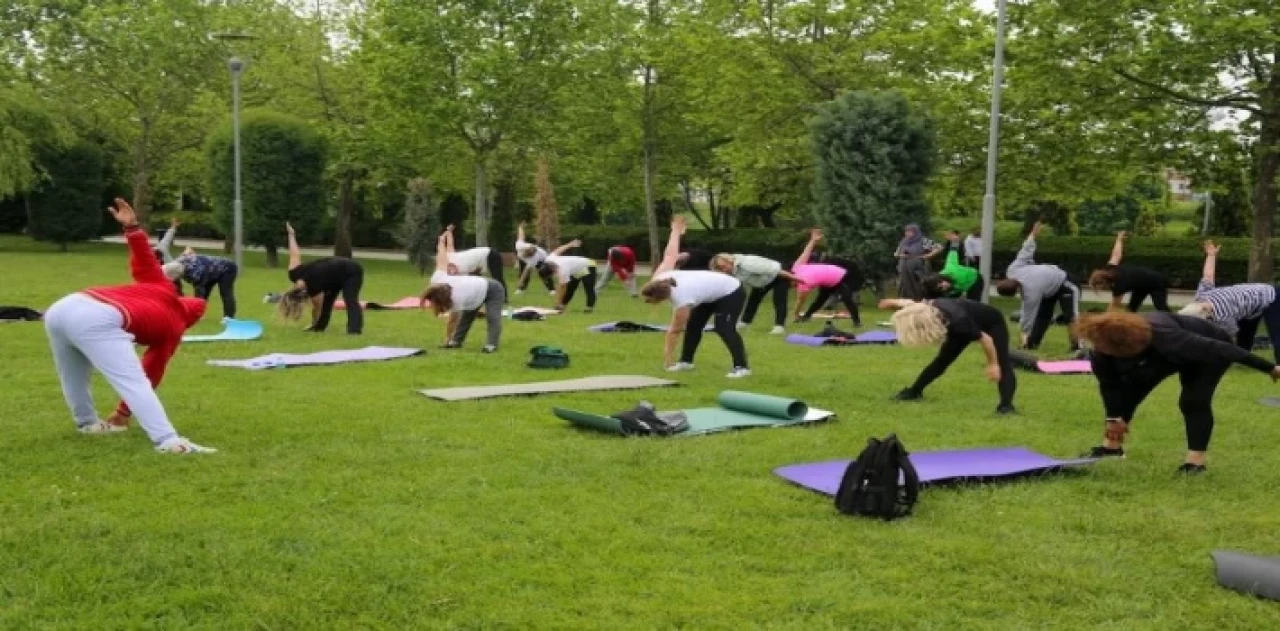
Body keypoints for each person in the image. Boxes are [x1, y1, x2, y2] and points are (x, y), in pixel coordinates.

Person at [43, 198, 215, 454]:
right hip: (99, 318)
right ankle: (168, 441)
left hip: (64, 306)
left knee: (73, 375)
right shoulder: (175, 326)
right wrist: (123, 412)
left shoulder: (162, 286)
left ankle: (88, 424)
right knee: (133, 381)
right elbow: (150, 372)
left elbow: (146, 260)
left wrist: (132, 228)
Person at [1074, 310, 1280, 474]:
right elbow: (1109, 384)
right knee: (1129, 389)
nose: (1098, 350)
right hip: (1162, 355)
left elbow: (1223, 349)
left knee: (1193, 401)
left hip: (1207, 352)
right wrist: (1112, 417)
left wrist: (1270, 368)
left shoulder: (1168, 337)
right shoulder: (1101, 348)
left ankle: (1195, 463)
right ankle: (1111, 448)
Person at [641, 217, 750, 378]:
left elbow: (674, 331)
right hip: (708, 293)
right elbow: (670, 255)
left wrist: (668, 360)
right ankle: (686, 362)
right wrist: (676, 231)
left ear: (663, 297)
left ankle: (742, 367)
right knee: (693, 325)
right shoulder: (660, 276)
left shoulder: (681, 299)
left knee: (723, 327)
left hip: (731, 290)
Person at [881, 297, 1017, 415]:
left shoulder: (960, 321)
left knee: (1002, 362)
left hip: (992, 322)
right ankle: (914, 392)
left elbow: (986, 340)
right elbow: (910, 304)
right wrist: (893, 302)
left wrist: (992, 364)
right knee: (942, 361)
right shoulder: (926, 308)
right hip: (960, 322)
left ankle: (1006, 406)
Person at [1178, 240, 1280, 361]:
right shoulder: (1201, 295)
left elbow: (1229, 339)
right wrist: (1211, 255)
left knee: (1277, 334)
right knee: (1244, 338)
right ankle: (1244, 360)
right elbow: (1208, 276)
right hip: (1248, 305)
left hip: (1271, 297)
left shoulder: (1224, 316)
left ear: (1207, 316)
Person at [995, 221, 1080, 350]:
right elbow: (1025, 252)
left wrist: (1024, 333)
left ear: (1017, 289)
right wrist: (1032, 235)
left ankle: (1077, 346)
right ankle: (1032, 344)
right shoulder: (1012, 270)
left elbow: (1027, 316)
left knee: (1070, 315)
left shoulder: (1031, 292)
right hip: (1046, 289)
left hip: (1065, 282)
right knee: (1042, 316)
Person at [421, 226, 503, 352]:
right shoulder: (437, 278)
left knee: (492, 317)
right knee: (467, 317)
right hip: (474, 292)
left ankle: (491, 345)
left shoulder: (457, 298)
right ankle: (455, 342)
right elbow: (442, 258)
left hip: (493, 289)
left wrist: (446, 339)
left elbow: (452, 321)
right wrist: (441, 242)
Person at [278, 222, 364, 334]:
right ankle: (319, 328)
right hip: (333, 275)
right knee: (327, 302)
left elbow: (317, 308)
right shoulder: (294, 273)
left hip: (351, 271)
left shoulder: (313, 286)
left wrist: (291, 235)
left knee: (350, 299)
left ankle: (355, 330)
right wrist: (291, 235)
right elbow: (294, 253)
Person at [710, 252, 800, 335]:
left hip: (779, 274)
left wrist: (795, 278)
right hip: (762, 281)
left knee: (779, 299)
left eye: (723, 267)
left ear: (728, 261)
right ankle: (745, 322)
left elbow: (775, 271)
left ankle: (779, 326)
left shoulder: (747, 263)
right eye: (720, 269)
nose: (723, 270)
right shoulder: (731, 269)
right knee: (753, 300)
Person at [792, 229, 864, 325]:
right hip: (827, 279)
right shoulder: (796, 267)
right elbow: (806, 252)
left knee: (847, 299)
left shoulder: (802, 282)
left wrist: (796, 314)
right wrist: (813, 240)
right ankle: (806, 317)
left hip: (838, 276)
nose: (794, 287)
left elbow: (800, 301)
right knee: (821, 299)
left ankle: (857, 322)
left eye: (792, 286)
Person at [1088, 231, 1170, 312]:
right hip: (1140, 286)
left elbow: (1114, 306)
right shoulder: (1109, 268)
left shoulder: (1119, 284)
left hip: (1155, 281)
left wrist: (1103, 321)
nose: (1103, 290)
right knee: (1131, 310)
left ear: (1104, 282)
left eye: (1102, 288)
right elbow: (1116, 254)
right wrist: (1119, 239)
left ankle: (1177, 321)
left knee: (1161, 308)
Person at [171, 246, 239, 319]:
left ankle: (229, 318)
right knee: (204, 293)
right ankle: (200, 315)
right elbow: (178, 290)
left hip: (227, 268)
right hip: (210, 270)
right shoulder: (173, 268)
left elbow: (199, 288)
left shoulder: (193, 269)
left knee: (225, 292)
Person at [539, 240, 598, 313]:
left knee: (588, 287)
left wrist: (558, 301)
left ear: (552, 271)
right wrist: (570, 244)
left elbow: (563, 286)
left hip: (588, 265)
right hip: (576, 269)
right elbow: (558, 250)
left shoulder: (562, 269)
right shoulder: (549, 259)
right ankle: (562, 306)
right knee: (571, 288)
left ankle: (589, 307)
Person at [894, 224, 941, 300]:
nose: (907, 233)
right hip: (904, 267)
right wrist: (901, 255)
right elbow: (896, 253)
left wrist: (929, 255)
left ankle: (918, 301)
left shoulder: (923, 240)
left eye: (910, 231)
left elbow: (939, 247)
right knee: (904, 286)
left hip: (917, 268)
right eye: (906, 231)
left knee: (918, 285)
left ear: (916, 232)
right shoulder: (903, 241)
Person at [514, 223, 556, 295]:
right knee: (521, 271)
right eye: (525, 255)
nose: (525, 257)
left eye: (528, 257)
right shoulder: (519, 245)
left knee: (543, 272)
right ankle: (521, 289)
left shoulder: (534, 258)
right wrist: (520, 227)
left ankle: (551, 289)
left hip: (542, 259)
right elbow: (521, 236)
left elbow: (526, 272)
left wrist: (520, 281)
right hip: (527, 257)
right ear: (524, 251)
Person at [152, 217, 184, 295]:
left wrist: (173, 227)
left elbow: (167, 238)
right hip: (162, 280)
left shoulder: (161, 247)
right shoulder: (150, 261)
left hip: (173, 276)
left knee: (177, 293)